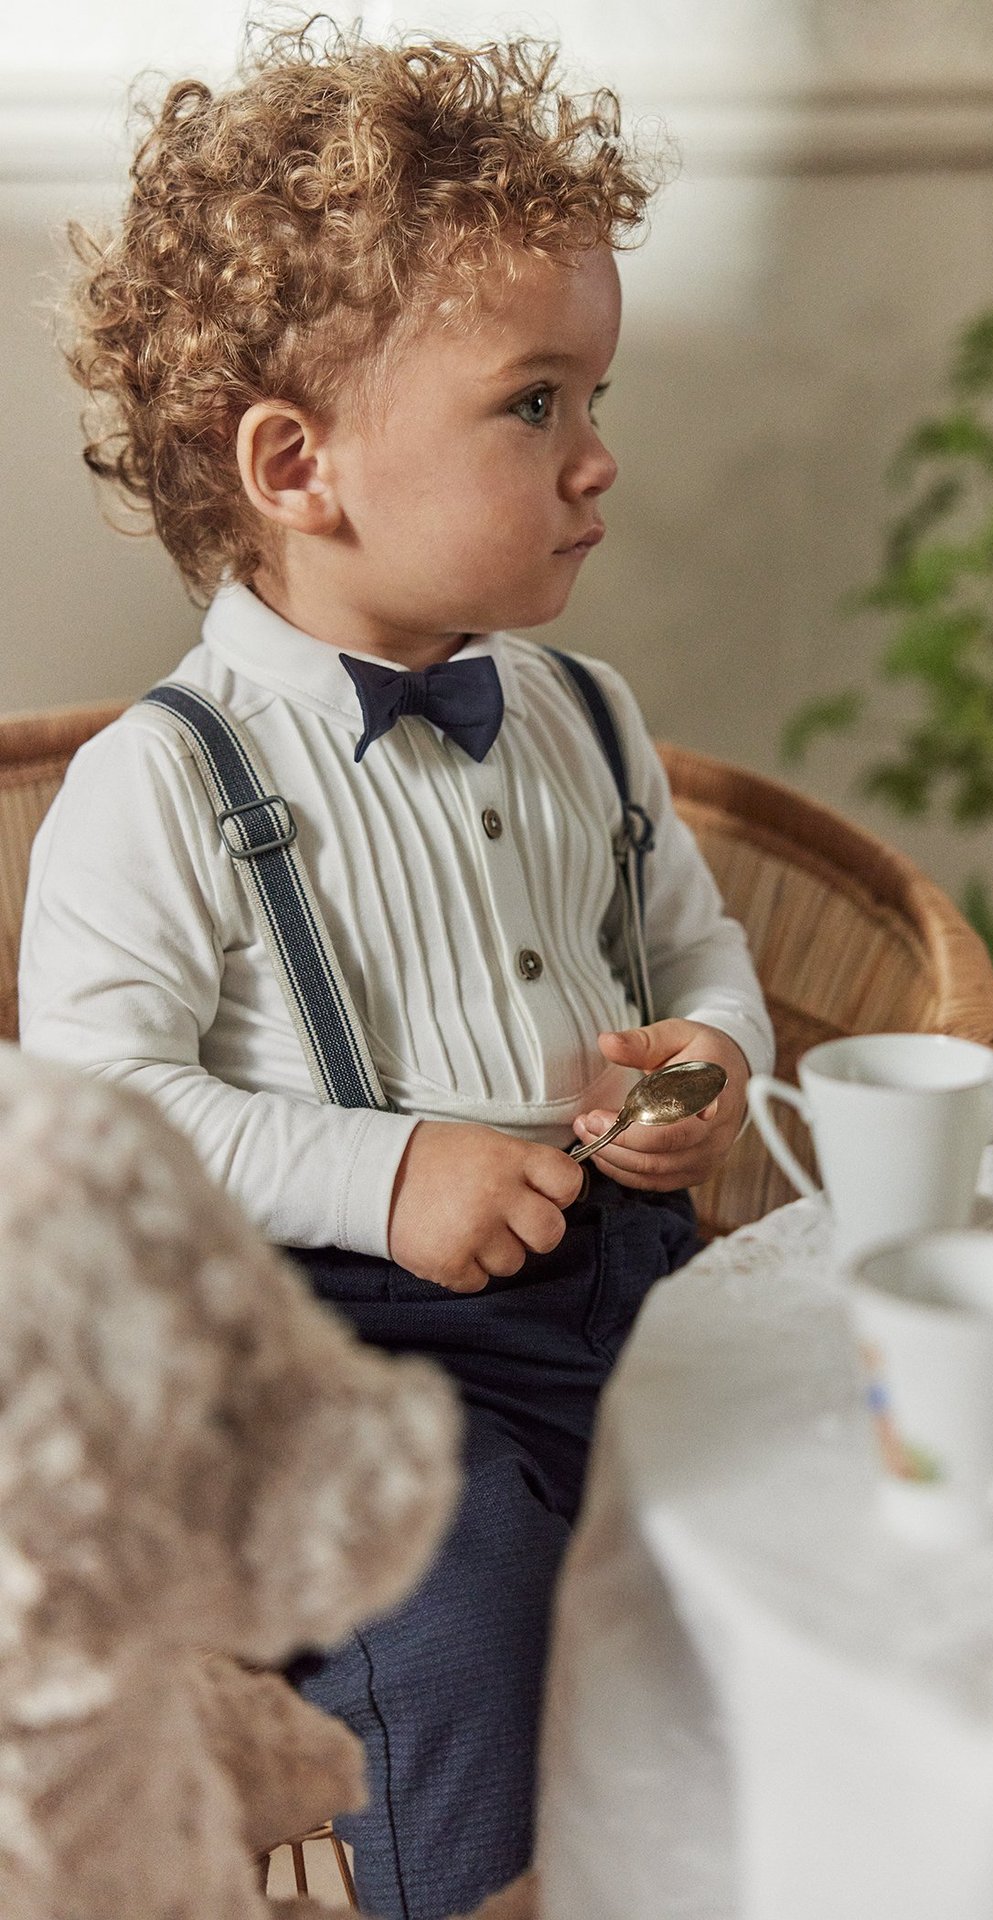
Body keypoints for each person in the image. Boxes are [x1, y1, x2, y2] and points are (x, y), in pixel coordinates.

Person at [18, 23, 773, 1920]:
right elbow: (93, 1125)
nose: (598, 459)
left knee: (799, 1539)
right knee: (452, 1646)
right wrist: (386, 1170)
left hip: (637, 1300)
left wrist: (705, 1063)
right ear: (299, 464)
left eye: (595, 394)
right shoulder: (162, 786)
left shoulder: (585, 715)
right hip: (362, 1380)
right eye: (533, 404)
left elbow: (696, 943)